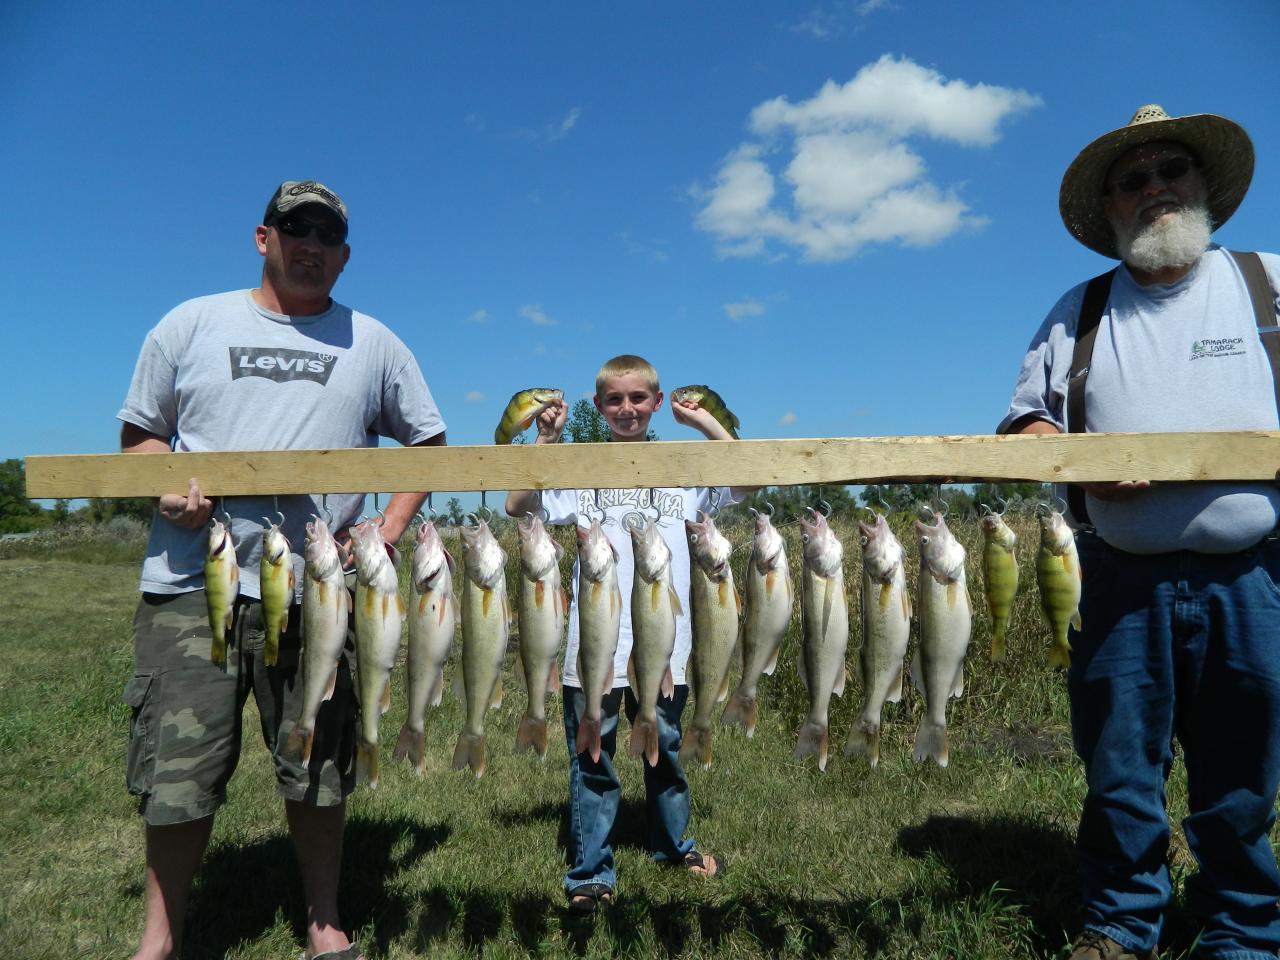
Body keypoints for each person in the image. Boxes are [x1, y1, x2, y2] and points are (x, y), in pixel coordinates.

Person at [118, 180, 446, 960]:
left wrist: (390, 528)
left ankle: (324, 920)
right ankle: (160, 939)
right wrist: (167, 488)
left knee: (320, 762)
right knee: (178, 773)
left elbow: (430, 446)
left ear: (345, 255)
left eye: (327, 237)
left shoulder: (374, 342)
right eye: (295, 230)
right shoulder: (189, 324)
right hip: (191, 589)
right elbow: (139, 437)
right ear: (262, 238)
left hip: (319, 593)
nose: (311, 247)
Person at [999, 106, 1280, 960]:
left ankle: (1245, 928)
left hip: (1257, 575)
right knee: (1121, 766)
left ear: (1203, 188)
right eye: (1135, 179)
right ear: (1112, 206)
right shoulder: (1077, 311)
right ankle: (1121, 923)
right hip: (1115, 576)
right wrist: (1075, 457)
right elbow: (1021, 427)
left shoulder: (1268, 281)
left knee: (1245, 766)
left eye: (1173, 172)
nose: (1156, 188)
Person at [505, 354, 738, 914]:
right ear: (597, 407)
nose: (627, 409)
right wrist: (546, 443)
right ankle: (591, 871)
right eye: (614, 400)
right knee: (593, 757)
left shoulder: (683, 467)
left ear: (658, 404)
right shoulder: (580, 471)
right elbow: (517, 504)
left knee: (668, 752)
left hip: (667, 647)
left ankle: (673, 846)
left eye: (638, 399)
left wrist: (703, 423)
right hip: (594, 650)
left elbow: (746, 477)